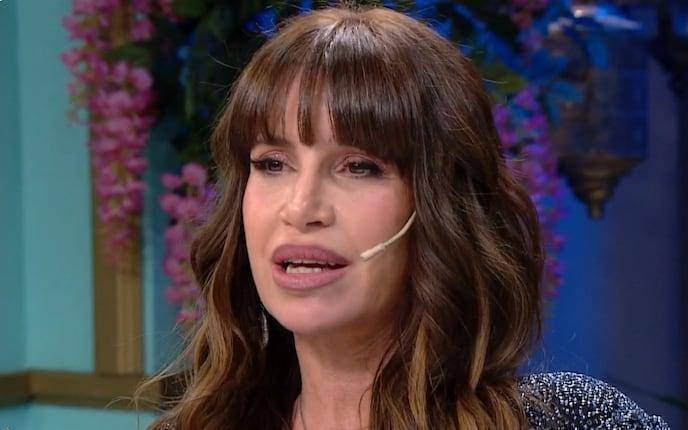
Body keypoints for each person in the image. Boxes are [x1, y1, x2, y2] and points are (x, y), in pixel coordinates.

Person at [139, 4, 671, 429]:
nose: (300, 209)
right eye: (272, 164)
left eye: (359, 167)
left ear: (441, 206)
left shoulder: (568, 421)